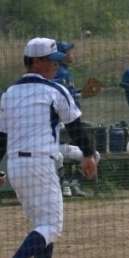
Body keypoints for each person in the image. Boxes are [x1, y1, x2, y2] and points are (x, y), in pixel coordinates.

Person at [0, 38, 97, 258]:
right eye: (52, 61)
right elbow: (76, 127)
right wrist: (88, 155)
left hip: (15, 166)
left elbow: (1, 136)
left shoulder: (9, 92)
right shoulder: (55, 90)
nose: (57, 65)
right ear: (37, 62)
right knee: (51, 226)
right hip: (39, 164)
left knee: (43, 225)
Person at [53, 41, 91, 198]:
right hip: (57, 133)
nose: (72, 53)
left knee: (93, 154)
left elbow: (69, 93)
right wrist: (79, 95)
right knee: (58, 156)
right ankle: (63, 187)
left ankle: (73, 183)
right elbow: (60, 96)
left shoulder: (65, 72)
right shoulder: (59, 72)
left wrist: (82, 92)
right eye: (69, 51)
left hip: (67, 129)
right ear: (61, 55)